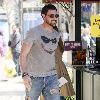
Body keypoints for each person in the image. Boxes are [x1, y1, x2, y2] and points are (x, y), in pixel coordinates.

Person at [20, 4, 62, 100]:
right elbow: (23, 55)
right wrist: (25, 75)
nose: (55, 18)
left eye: (56, 16)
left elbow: (57, 57)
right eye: (51, 16)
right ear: (43, 16)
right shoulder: (33, 32)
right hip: (34, 78)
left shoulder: (57, 34)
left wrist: (61, 78)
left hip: (52, 78)